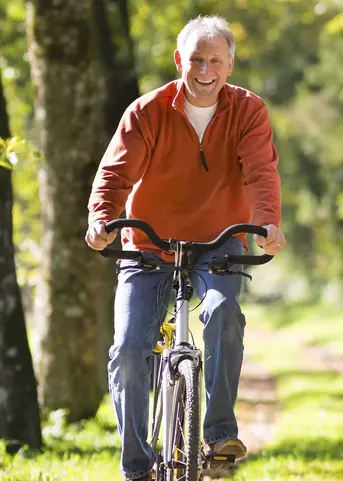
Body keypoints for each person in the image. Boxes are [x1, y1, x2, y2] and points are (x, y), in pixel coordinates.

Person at [85, 15, 285, 481]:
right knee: (130, 351)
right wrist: (101, 219)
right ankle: (137, 465)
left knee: (223, 313)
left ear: (230, 65)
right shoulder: (147, 111)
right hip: (148, 246)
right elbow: (114, 175)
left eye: (216, 60)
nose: (205, 69)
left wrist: (267, 222)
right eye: (196, 59)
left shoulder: (248, 111)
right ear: (180, 60)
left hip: (219, 244)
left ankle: (218, 434)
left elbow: (261, 171)